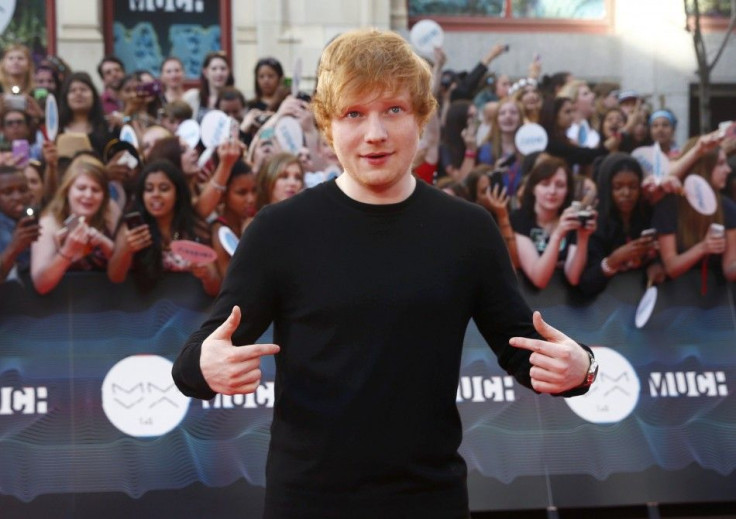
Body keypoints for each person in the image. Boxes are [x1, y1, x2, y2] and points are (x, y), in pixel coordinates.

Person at [172, 29, 595, 519]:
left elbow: (525, 348)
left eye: (393, 109)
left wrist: (582, 368)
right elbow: (192, 362)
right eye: (354, 113)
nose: (375, 133)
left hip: (427, 499)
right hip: (309, 501)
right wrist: (207, 366)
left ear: (420, 118)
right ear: (329, 126)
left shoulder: (467, 230)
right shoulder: (280, 230)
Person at [107, 159, 221, 296]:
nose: (155, 195)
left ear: (177, 193)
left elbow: (215, 288)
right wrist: (126, 249)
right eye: (149, 189)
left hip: (191, 312)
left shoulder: (194, 227)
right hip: (141, 310)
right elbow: (115, 277)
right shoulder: (132, 228)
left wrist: (206, 275)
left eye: (164, 189)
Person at [30, 155, 119, 294]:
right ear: (67, 190)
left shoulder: (110, 211)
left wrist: (104, 243)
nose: (88, 195)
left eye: (96, 190)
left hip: (109, 302)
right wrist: (67, 252)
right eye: (81, 188)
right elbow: (41, 285)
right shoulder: (49, 222)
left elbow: (127, 267)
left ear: (104, 195)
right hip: (63, 306)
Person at [578, 153, 664, 296]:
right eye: (618, 187)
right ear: (607, 189)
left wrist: (655, 264)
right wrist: (614, 260)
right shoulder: (593, 224)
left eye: (633, 186)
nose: (626, 193)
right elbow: (584, 284)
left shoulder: (647, 216)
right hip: (601, 310)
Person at [652, 137, 736, 282]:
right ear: (703, 167)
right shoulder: (669, 205)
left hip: (716, 295)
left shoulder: (727, 206)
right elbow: (671, 268)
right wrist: (703, 248)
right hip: (674, 294)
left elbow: (729, 269)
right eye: (721, 164)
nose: (728, 170)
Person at [511, 156, 596, 289]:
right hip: (528, 298)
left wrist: (583, 238)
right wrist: (557, 235)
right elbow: (539, 279)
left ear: (568, 190)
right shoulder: (519, 218)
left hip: (563, 303)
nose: (552, 191)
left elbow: (573, 277)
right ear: (533, 188)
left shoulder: (571, 220)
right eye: (545, 184)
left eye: (560, 185)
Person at [0, 165, 40, 280]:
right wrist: (14, 248)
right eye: (7, 192)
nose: (17, 197)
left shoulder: (39, 219)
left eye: (23, 190)